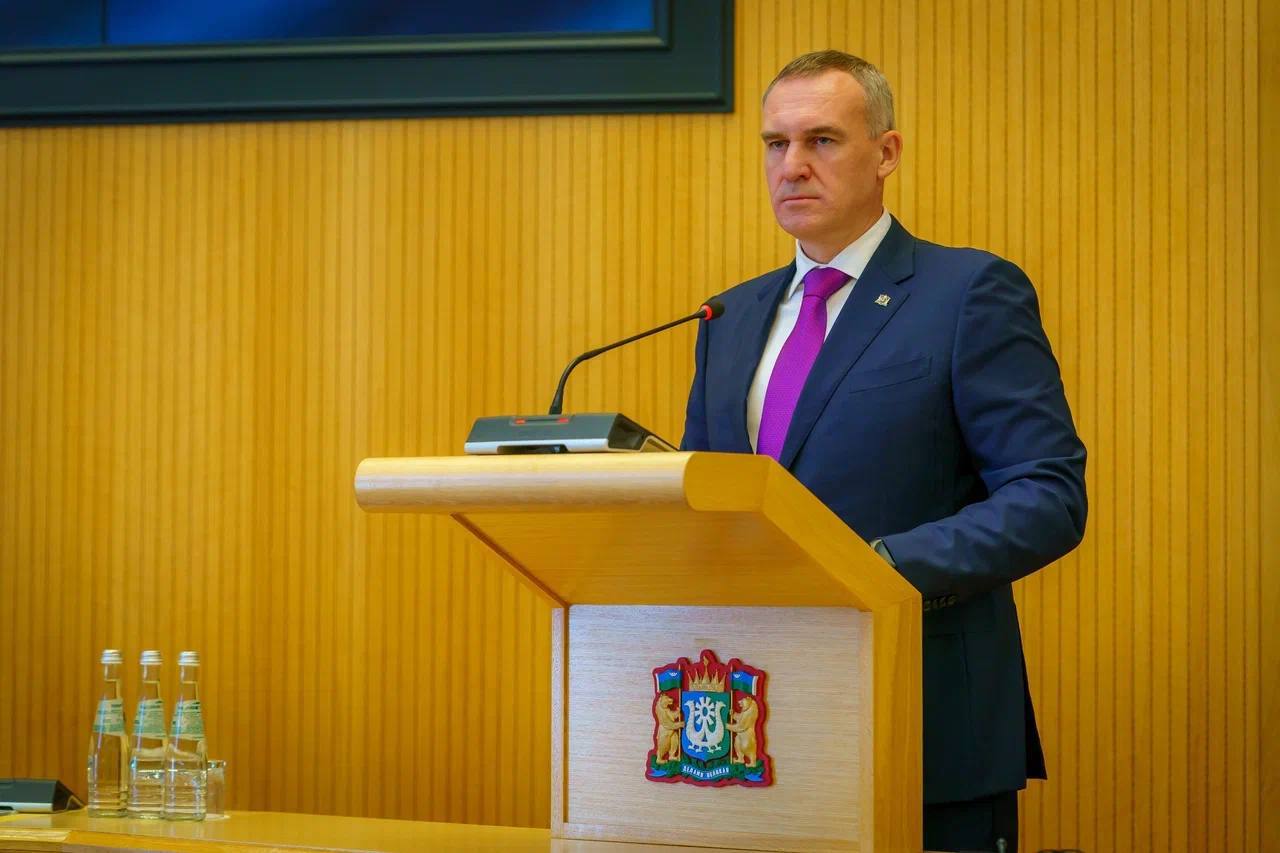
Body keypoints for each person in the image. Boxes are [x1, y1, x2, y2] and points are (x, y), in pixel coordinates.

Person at [680, 50, 1088, 853]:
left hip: (925, 721)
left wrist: (876, 566)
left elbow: (1048, 495)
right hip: (749, 729)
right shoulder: (728, 317)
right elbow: (702, 501)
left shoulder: (967, 293)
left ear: (886, 153)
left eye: (822, 140)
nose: (792, 165)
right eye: (775, 144)